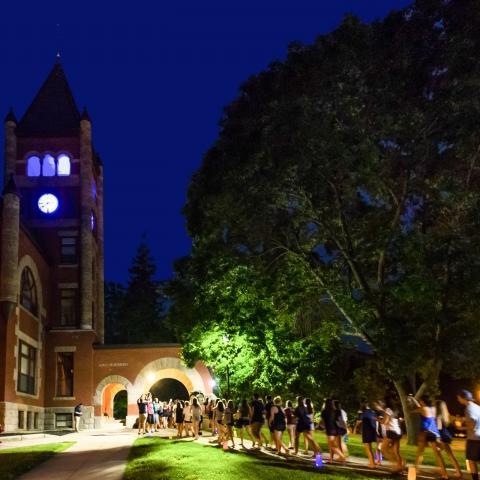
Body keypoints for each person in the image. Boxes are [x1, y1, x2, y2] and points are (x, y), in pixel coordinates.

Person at [409, 395, 447, 479]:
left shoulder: (423, 409)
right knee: (437, 454)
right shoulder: (432, 408)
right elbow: (419, 406)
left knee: (420, 452)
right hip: (434, 432)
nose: (420, 402)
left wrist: (412, 401)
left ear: (423, 401)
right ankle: (445, 473)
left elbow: (412, 411)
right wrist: (414, 400)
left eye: (421, 401)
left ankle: (415, 469)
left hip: (425, 432)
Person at [436, 399, 462, 479]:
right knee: (449, 454)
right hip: (446, 436)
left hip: (441, 436)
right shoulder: (446, 415)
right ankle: (458, 472)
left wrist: (438, 438)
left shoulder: (438, 416)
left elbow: (439, 428)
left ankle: (445, 473)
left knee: (439, 453)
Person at [457, 389, 480, 480]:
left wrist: (461, 428)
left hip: (474, 439)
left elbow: (472, 425)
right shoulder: (477, 407)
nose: (458, 399)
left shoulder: (468, 408)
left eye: (459, 398)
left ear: (463, 398)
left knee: (471, 460)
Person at [380, 399, 404, 474]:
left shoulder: (388, 410)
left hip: (391, 431)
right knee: (396, 451)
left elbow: (385, 422)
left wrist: (378, 419)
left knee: (383, 449)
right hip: (398, 431)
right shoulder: (396, 410)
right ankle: (400, 466)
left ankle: (396, 465)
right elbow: (400, 420)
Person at [321, 398, 345, 463]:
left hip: (330, 430)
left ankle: (342, 456)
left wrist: (322, 426)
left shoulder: (324, 411)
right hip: (337, 429)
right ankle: (331, 459)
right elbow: (340, 420)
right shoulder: (337, 411)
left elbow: (322, 423)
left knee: (332, 446)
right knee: (331, 445)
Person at [360, 401, 377, 468]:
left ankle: (372, 464)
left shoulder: (364, 413)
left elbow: (360, 420)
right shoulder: (372, 412)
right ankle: (372, 462)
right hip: (372, 430)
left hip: (366, 431)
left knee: (368, 448)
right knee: (369, 448)